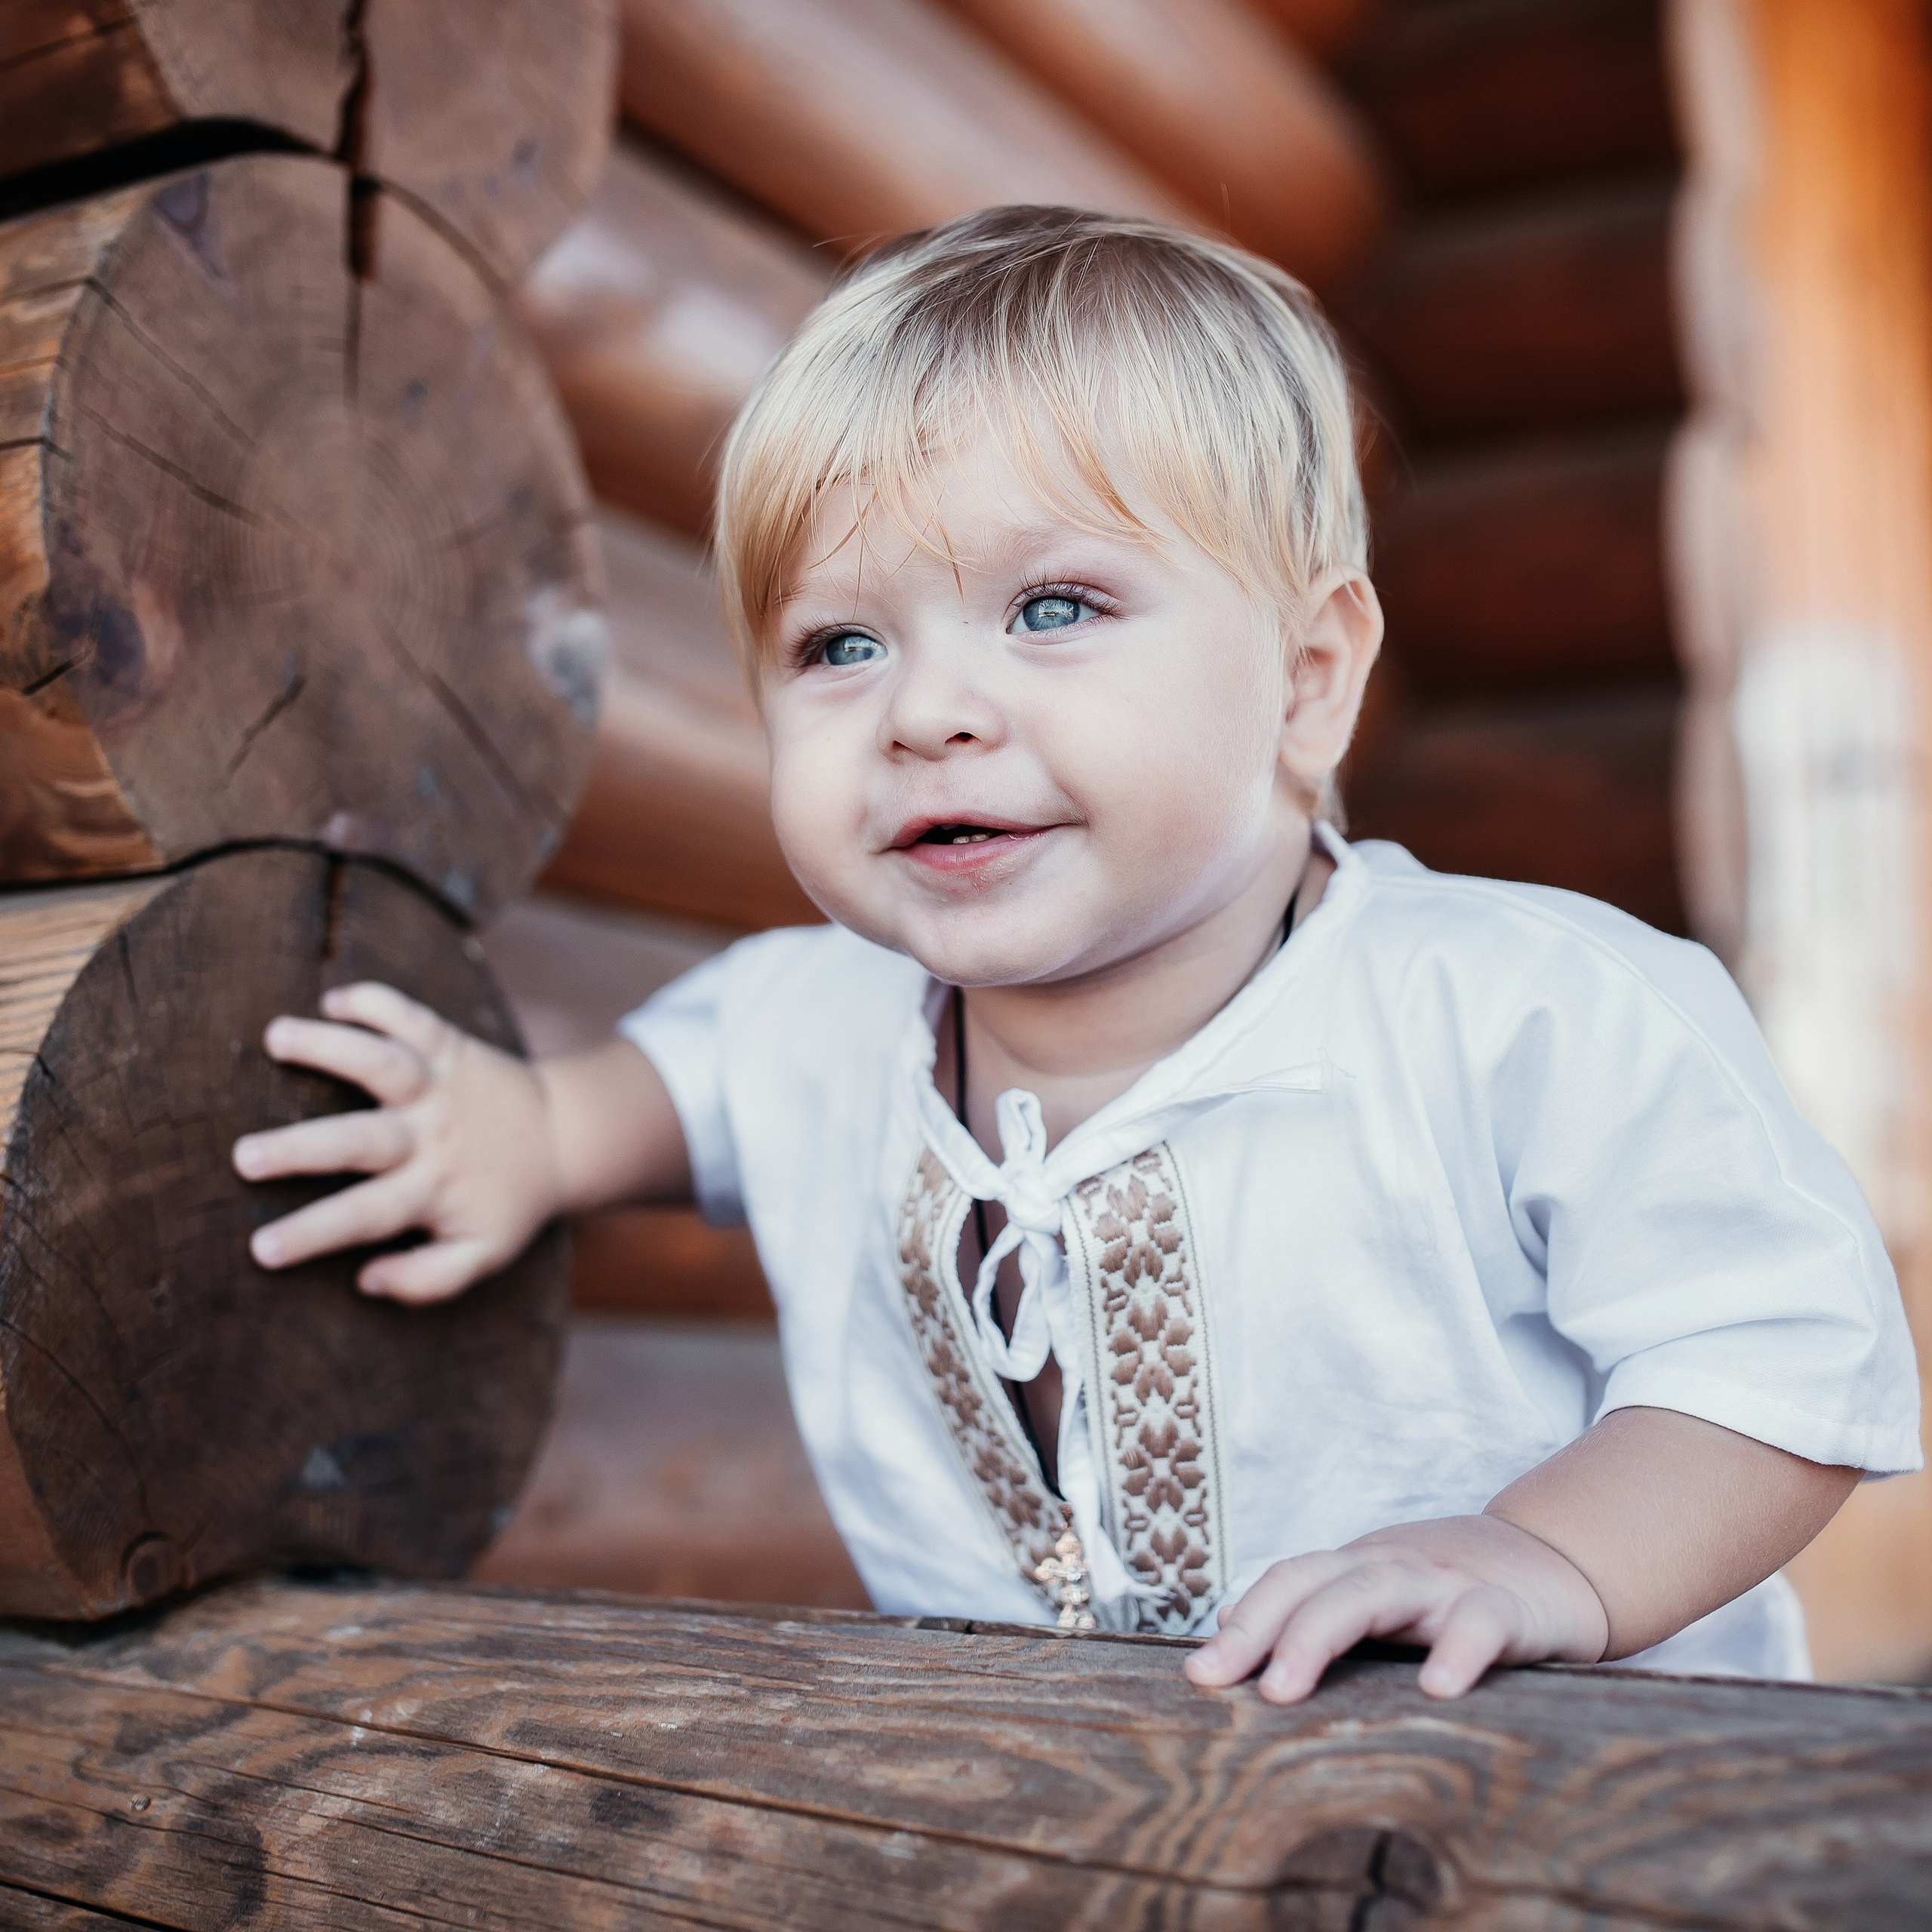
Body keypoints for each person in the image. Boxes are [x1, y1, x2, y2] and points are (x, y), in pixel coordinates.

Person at [232, 205, 1920, 1703]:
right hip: (1076, 1820)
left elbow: (1774, 1362)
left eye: (1050, 607)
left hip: (1553, 1816)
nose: (929, 710)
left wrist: (1531, 1559)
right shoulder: (818, 1019)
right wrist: (516, 1135)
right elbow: (672, 1086)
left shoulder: (1525, 1012)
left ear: (1306, 676)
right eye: (839, 642)